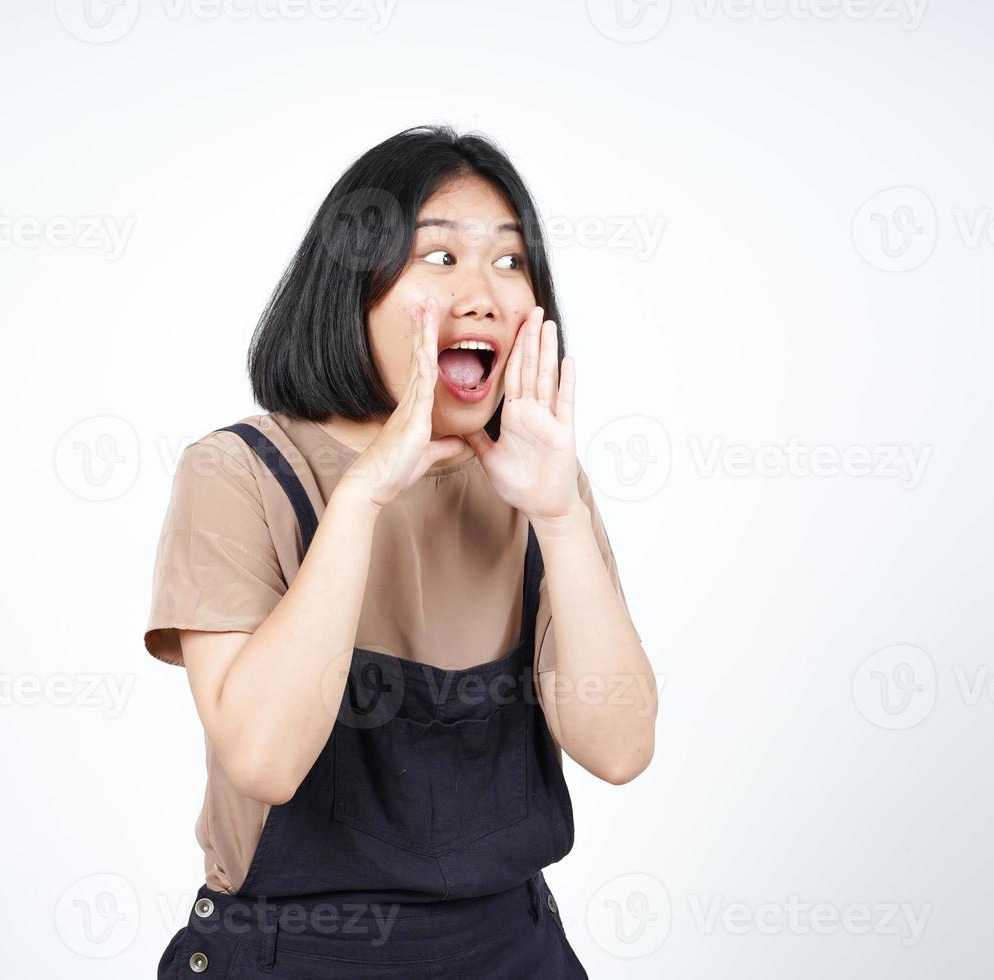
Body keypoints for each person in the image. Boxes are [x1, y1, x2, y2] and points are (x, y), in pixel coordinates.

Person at [143, 124, 655, 978]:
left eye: (511, 260)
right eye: (441, 258)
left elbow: (621, 748)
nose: (487, 292)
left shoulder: (539, 485)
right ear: (353, 284)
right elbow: (264, 760)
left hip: (510, 952)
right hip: (293, 957)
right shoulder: (239, 473)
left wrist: (560, 517)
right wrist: (364, 495)